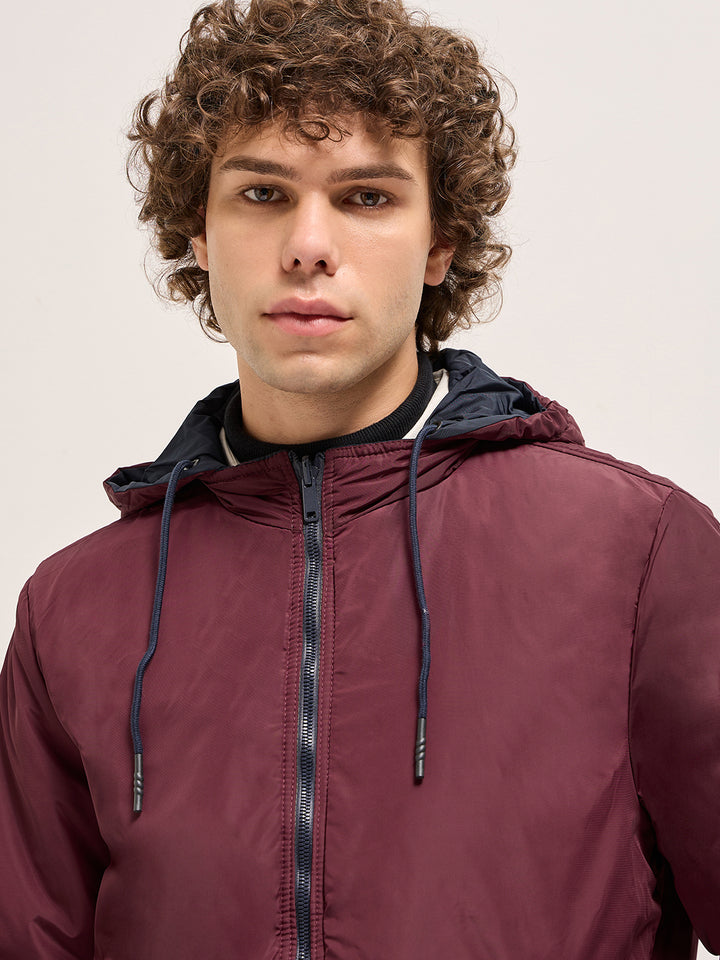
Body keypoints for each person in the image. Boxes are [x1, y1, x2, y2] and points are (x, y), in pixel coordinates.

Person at [1, 0, 718, 956]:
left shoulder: (635, 553)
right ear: (198, 235)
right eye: (262, 193)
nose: (308, 243)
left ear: (440, 243)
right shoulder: (74, 609)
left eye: (367, 197)